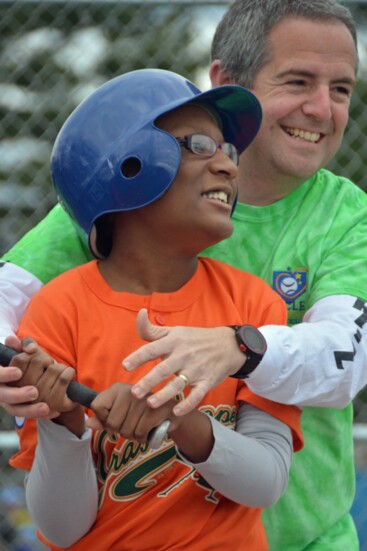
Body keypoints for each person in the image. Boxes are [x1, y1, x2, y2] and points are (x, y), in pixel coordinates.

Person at [0, 0, 366, 549]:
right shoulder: (115, 205)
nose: (322, 109)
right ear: (224, 78)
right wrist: (38, 393)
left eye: (341, 89)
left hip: (308, 536)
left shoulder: (345, 215)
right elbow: (8, 300)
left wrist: (238, 349)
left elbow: (347, 356)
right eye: (298, 81)